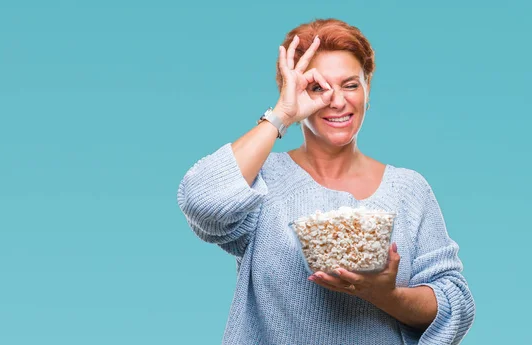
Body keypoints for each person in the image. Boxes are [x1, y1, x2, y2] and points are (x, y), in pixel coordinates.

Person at [176, 18, 475, 345]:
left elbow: (454, 302)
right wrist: (282, 115)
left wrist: (385, 295)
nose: (336, 101)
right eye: (317, 87)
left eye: (350, 85)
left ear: (367, 89)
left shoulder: (409, 190)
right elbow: (201, 200)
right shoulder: (263, 178)